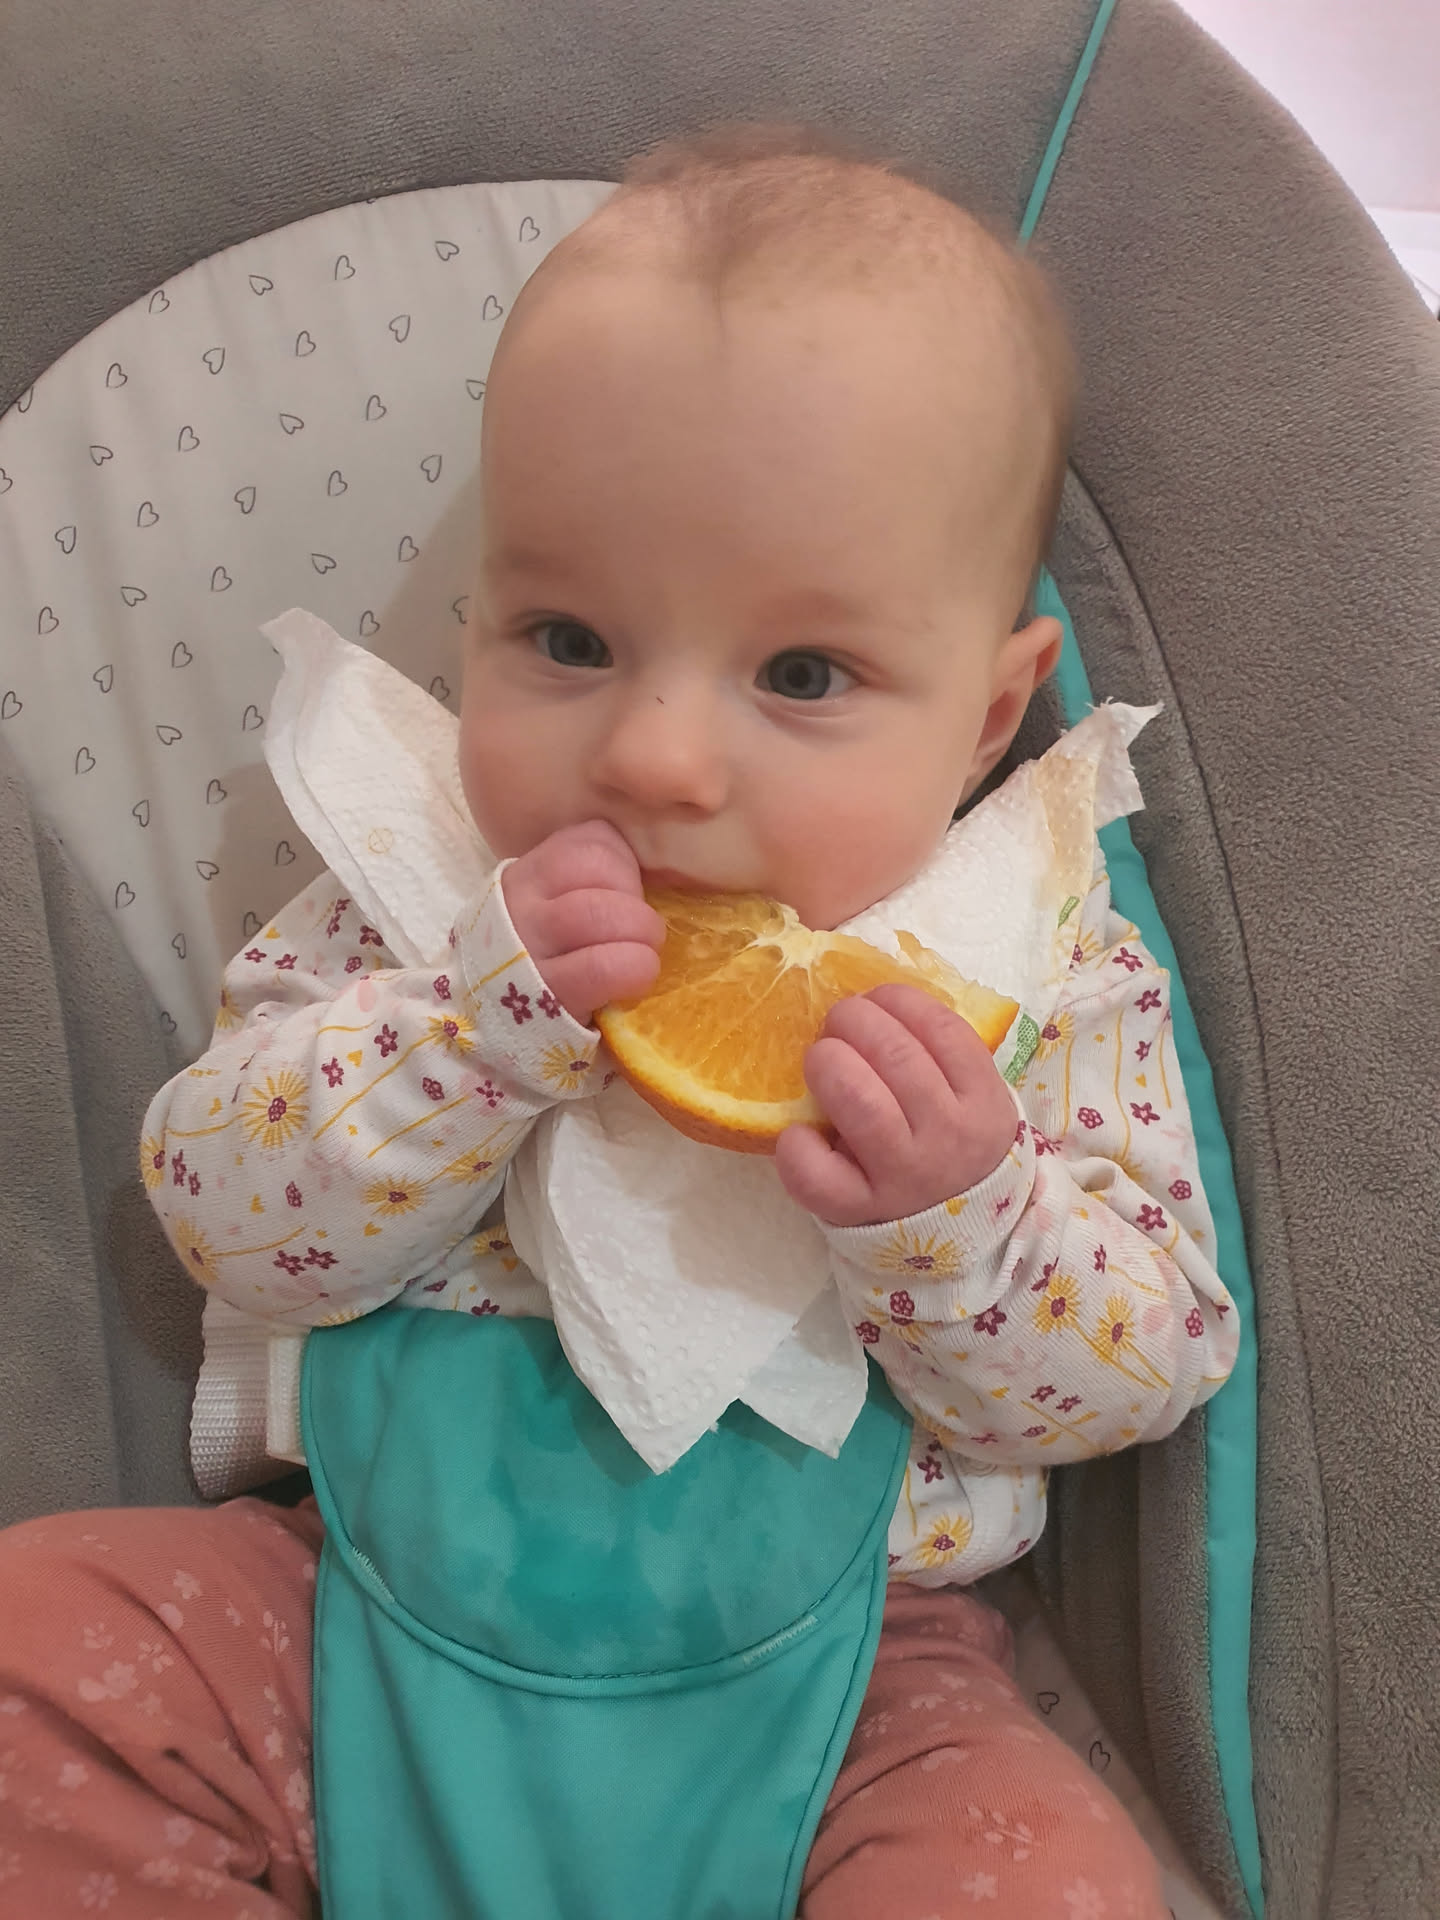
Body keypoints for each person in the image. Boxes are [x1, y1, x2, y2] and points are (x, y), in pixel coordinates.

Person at [0, 128, 1236, 1918]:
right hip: (340, 1627)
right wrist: (458, 1042)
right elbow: (220, 1212)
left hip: (851, 1693)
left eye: (801, 675)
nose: (654, 758)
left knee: (1039, 1883)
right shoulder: (414, 896)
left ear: (984, 720)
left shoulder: (1038, 967)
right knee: (33, 1657)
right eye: (570, 639)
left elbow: (1150, 1365)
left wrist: (962, 1217)